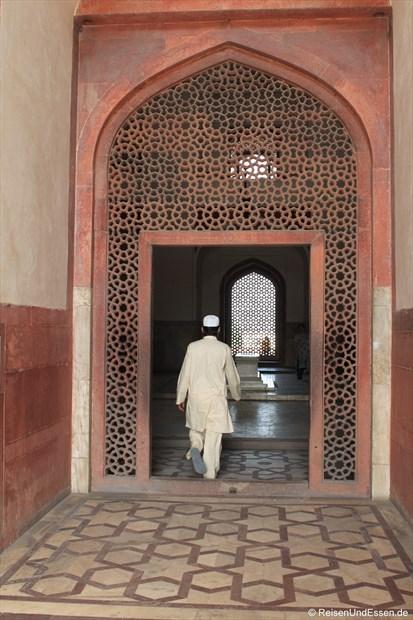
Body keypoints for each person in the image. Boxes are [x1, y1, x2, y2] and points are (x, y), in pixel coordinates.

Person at [176, 314, 241, 479]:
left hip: (196, 397)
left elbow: (185, 374)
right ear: (218, 330)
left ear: (202, 330)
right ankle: (210, 472)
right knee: (213, 435)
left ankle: (196, 446)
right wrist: (236, 394)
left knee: (196, 429)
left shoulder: (193, 347)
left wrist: (180, 397)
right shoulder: (224, 348)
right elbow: (231, 376)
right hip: (216, 398)